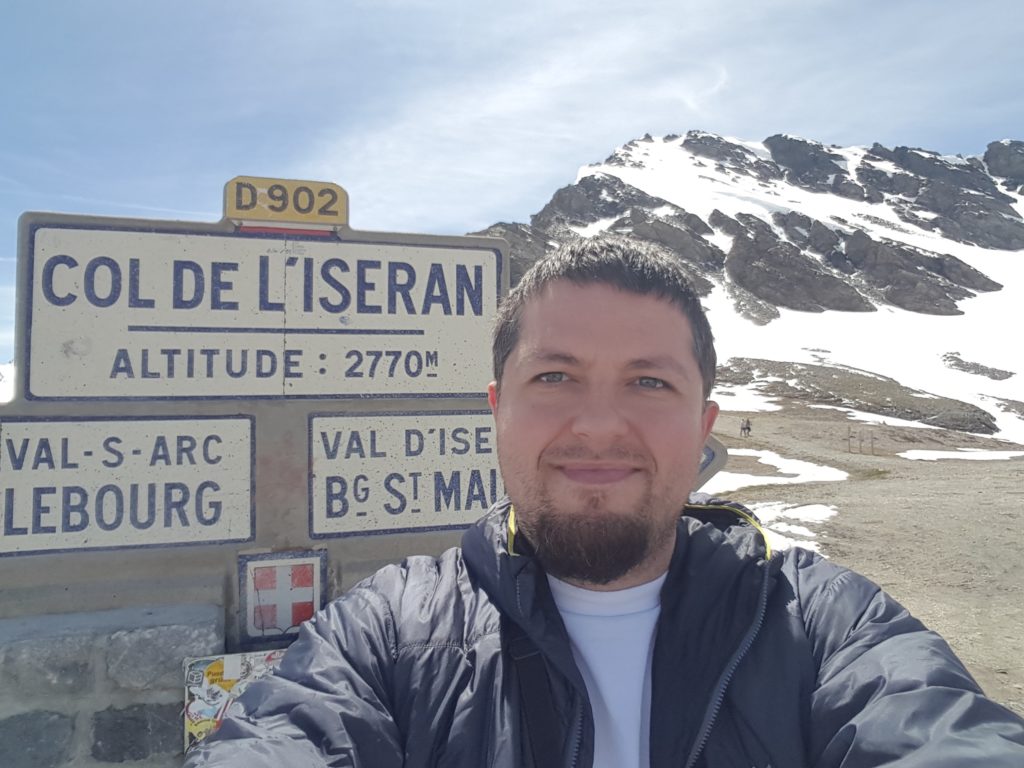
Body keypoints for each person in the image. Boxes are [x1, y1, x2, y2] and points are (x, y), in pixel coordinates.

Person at [185, 238, 1024, 767]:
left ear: (702, 426)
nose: (596, 427)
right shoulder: (383, 637)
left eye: (648, 383)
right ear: (495, 409)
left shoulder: (828, 625)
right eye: (554, 377)